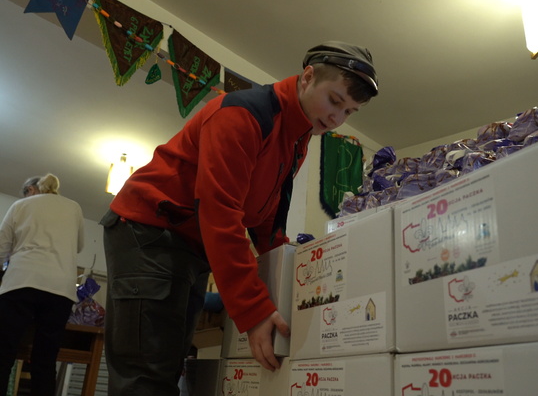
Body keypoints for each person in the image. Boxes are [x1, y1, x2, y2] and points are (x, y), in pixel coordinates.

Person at [101, 41, 378, 395]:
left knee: (168, 366)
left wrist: (288, 275)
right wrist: (255, 310)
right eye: (335, 101)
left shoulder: (298, 136)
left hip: (190, 244)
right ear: (308, 77)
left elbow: (265, 214)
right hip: (150, 230)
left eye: (349, 111)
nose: (338, 118)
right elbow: (220, 212)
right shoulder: (243, 114)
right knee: (146, 377)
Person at [0, 174, 84, 396]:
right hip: (60, 289)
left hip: (22, 282)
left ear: (30, 190)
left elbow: (1, 248)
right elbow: (79, 246)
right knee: (45, 360)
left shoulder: (20, 206)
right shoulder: (74, 207)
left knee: (3, 354)